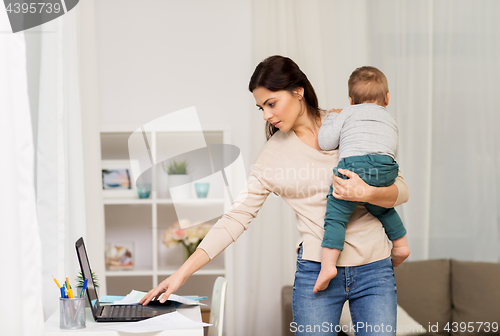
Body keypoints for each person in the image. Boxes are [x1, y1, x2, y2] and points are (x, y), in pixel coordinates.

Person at [140, 56, 409, 336]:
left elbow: (401, 190)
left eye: (271, 103)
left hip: (374, 268)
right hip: (317, 272)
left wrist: (367, 192)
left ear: (298, 91)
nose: (267, 115)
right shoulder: (273, 156)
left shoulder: (346, 123)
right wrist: (181, 273)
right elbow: (237, 217)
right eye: (261, 108)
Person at [313, 66, 410, 293]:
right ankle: (401, 244)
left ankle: (328, 266)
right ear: (387, 98)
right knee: (382, 207)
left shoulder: (348, 112)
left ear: (351, 100)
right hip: (387, 168)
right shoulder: (390, 118)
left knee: (336, 216)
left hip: (354, 166)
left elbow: (325, 142)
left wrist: (333, 117)